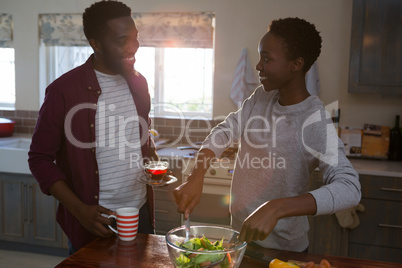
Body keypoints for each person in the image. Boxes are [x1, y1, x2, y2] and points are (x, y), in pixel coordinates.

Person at [173, 17, 361, 252]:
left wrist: (277, 208)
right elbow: (225, 130)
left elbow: (350, 187)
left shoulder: (314, 121)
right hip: (240, 238)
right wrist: (196, 175)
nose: (259, 66)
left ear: (296, 64)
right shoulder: (261, 97)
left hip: (284, 249)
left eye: (267, 59)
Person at [28, 0, 158, 255]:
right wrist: (80, 212)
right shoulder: (64, 91)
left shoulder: (139, 83)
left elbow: (141, 136)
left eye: (135, 37)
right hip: (95, 219)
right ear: (95, 44)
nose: (133, 47)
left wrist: (152, 160)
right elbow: (39, 159)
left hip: (140, 211)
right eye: (122, 41)